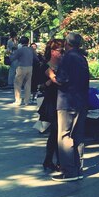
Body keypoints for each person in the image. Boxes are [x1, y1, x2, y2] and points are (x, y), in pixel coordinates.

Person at [52, 32, 90, 182]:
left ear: (67, 43)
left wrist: (51, 74)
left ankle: (69, 170)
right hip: (81, 100)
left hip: (67, 101)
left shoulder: (68, 57)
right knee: (78, 136)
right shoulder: (82, 58)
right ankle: (78, 167)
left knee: (64, 136)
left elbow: (62, 79)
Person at [39, 39, 64, 172]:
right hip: (52, 101)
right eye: (60, 51)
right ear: (53, 51)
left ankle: (50, 160)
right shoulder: (45, 66)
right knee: (56, 131)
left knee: (58, 132)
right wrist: (50, 81)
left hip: (63, 99)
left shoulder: (64, 63)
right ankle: (53, 160)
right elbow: (41, 85)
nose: (62, 53)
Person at [9, 36, 35, 106]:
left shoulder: (20, 50)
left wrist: (10, 54)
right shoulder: (31, 49)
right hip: (30, 67)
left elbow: (12, 58)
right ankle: (27, 101)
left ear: (21, 42)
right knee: (28, 84)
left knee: (17, 84)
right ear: (28, 42)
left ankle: (18, 101)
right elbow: (36, 58)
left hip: (21, 67)